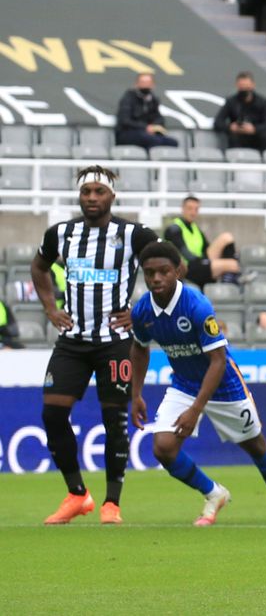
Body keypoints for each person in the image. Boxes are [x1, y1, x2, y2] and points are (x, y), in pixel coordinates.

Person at [128, 241, 266, 525]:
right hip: (184, 383)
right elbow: (139, 348)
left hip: (224, 385)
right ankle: (214, 493)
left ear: (178, 271)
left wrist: (196, 409)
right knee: (163, 448)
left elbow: (218, 361)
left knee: (255, 446)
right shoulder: (142, 311)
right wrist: (136, 394)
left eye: (163, 271)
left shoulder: (197, 306)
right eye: (149, 273)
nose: (156, 278)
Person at [33, 166, 159, 525]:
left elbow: (172, 266)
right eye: (86, 191)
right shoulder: (61, 234)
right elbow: (38, 267)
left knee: (114, 419)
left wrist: (140, 310)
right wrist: (50, 308)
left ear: (111, 196)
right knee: (53, 415)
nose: (91, 198)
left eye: (98, 192)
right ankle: (77, 494)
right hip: (72, 341)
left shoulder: (133, 234)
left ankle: (112, 503)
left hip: (115, 343)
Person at [164, 196, 243, 288]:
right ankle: (230, 279)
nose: (193, 212)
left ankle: (228, 276)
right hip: (187, 269)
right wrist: (206, 262)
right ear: (183, 209)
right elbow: (185, 254)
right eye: (190, 208)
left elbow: (207, 249)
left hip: (200, 264)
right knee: (233, 264)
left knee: (227, 237)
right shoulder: (174, 228)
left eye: (196, 209)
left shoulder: (195, 229)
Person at [213, 71, 266, 151]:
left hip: (257, 139)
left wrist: (254, 129)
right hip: (238, 139)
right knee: (233, 137)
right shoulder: (231, 102)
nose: (244, 90)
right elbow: (218, 122)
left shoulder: (263, 102)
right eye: (242, 87)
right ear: (237, 86)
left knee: (265, 136)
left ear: (253, 85)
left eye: (247, 87)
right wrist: (231, 127)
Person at [115, 73, 178, 150]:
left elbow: (159, 118)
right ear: (136, 84)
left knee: (172, 142)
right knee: (152, 140)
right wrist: (145, 127)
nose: (145, 86)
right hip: (128, 133)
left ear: (152, 85)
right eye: (143, 83)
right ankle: (151, 160)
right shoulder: (128, 98)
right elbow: (125, 121)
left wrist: (154, 126)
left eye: (147, 83)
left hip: (148, 134)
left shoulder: (153, 100)